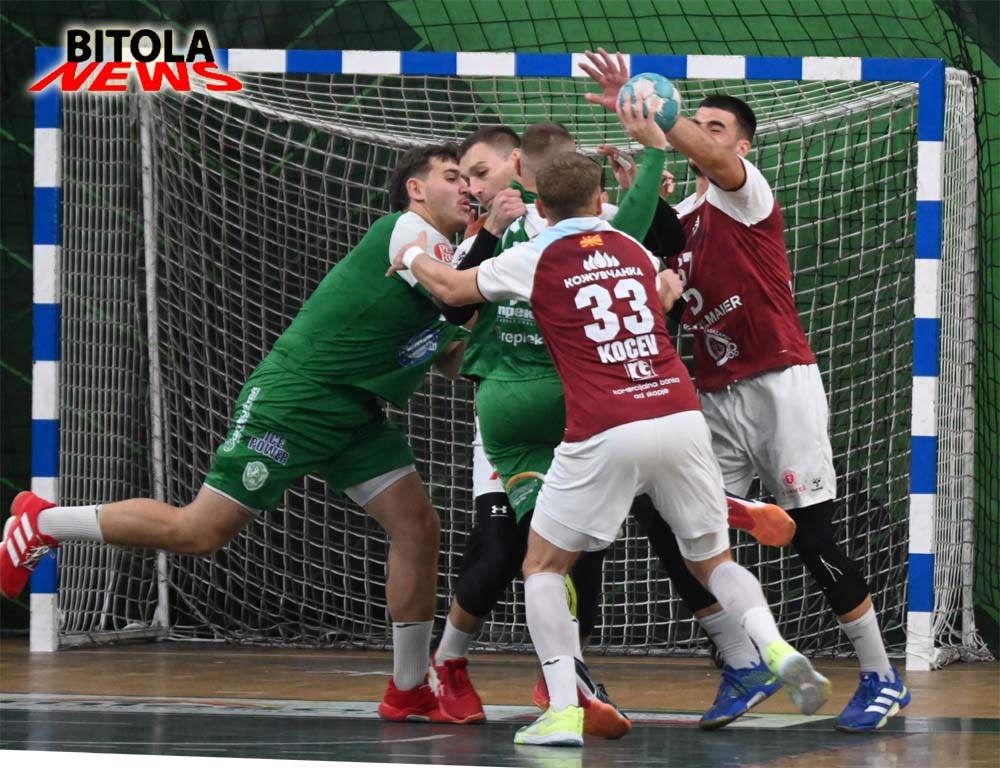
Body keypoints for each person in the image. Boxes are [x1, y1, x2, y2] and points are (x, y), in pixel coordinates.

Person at [0, 144, 474, 724]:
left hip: (357, 411)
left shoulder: (452, 264)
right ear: (417, 190)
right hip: (297, 399)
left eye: (471, 177)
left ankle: (408, 689)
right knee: (198, 532)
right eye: (453, 176)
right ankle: (43, 522)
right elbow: (459, 292)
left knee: (418, 528)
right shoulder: (408, 231)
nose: (465, 187)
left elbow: (456, 357)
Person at [389, 147, 831, 748]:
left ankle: (561, 711)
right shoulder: (633, 248)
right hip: (678, 413)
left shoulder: (536, 254)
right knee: (714, 562)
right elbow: (662, 293)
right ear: (601, 201)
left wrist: (411, 252)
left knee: (543, 566)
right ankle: (774, 647)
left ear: (542, 207)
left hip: (604, 423)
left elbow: (449, 288)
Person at [581, 48, 911, 733]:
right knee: (675, 525)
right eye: (697, 123)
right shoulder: (677, 221)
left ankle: (882, 675)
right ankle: (743, 660)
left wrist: (656, 114)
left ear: (742, 146)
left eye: (717, 128)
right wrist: (640, 177)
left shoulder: (745, 194)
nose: (704, 135)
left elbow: (705, 153)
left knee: (812, 535)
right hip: (710, 393)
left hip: (777, 384)